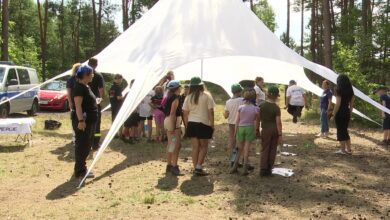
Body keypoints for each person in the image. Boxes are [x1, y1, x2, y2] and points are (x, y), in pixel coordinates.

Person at [183, 77, 215, 176]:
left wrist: (187, 125)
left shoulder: (188, 97)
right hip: (203, 123)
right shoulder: (207, 95)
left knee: (195, 147)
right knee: (204, 147)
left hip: (192, 123)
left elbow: (185, 113)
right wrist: (212, 124)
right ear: (201, 85)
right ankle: (198, 167)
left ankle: (195, 167)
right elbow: (211, 112)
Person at [71, 65, 98, 179]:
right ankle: (80, 171)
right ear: (86, 75)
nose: (92, 75)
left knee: (86, 145)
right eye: (91, 73)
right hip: (84, 121)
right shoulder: (79, 88)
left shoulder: (85, 86)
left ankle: (82, 168)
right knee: (82, 145)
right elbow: (78, 106)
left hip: (90, 120)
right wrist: (81, 120)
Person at [230, 89, 260, 175]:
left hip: (240, 128)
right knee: (246, 149)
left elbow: (237, 121)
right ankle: (244, 168)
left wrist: (235, 132)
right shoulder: (256, 108)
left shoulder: (241, 107)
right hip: (250, 128)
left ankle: (234, 166)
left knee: (239, 148)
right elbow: (257, 121)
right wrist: (257, 130)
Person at [259, 86, 282, 177]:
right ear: (276, 96)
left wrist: (257, 129)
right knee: (273, 149)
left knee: (265, 148)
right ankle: (269, 168)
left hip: (265, 129)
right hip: (274, 130)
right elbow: (278, 122)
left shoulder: (262, 106)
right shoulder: (276, 108)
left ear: (267, 94)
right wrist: (280, 134)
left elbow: (258, 119)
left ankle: (263, 169)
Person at [163, 80, 183, 176]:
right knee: (175, 145)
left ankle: (169, 165)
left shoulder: (167, 97)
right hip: (173, 122)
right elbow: (172, 113)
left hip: (168, 121)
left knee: (171, 144)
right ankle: (174, 166)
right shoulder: (175, 98)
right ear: (178, 88)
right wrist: (174, 127)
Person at [333, 74, 354, 155]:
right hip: (347, 111)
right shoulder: (351, 91)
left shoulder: (338, 89)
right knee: (345, 130)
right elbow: (351, 105)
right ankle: (349, 149)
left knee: (341, 131)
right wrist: (350, 114)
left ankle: (342, 150)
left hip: (340, 112)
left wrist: (333, 114)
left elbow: (338, 104)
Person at [88, 58, 105, 151]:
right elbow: (101, 89)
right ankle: (95, 144)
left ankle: (87, 142)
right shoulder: (98, 75)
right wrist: (100, 100)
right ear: (96, 65)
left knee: (87, 122)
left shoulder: (83, 73)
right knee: (97, 124)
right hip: (95, 102)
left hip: (85, 102)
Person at [224, 84, 244, 155]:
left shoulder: (228, 102)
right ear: (239, 92)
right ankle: (237, 156)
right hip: (240, 123)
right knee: (239, 140)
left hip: (231, 123)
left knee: (231, 138)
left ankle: (231, 155)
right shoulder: (242, 100)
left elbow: (226, 116)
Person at [66, 63, 81, 144]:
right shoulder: (71, 80)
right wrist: (70, 102)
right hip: (74, 102)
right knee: (74, 120)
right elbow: (68, 93)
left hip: (82, 103)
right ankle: (74, 137)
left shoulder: (82, 79)